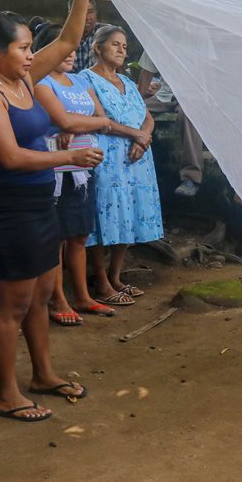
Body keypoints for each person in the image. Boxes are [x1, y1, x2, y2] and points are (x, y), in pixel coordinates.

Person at [0, 0, 103, 422]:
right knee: (13, 304)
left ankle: (42, 374)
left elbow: (67, 42)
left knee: (44, 293)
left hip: (42, 204)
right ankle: (6, 393)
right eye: (23, 48)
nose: (31, 55)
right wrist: (68, 160)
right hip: (13, 210)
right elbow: (11, 157)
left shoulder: (22, 80)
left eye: (30, 47)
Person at [30, 19, 146, 317]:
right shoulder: (42, 83)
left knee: (79, 234)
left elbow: (101, 116)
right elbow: (69, 122)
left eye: (71, 49)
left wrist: (80, 123)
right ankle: (58, 300)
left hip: (83, 167)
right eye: (62, 48)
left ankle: (82, 295)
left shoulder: (78, 82)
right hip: (55, 168)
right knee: (57, 236)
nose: (69, 54)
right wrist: (78, 123)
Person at [78, 26, 164, 302]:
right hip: (108, 158)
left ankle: (116, 276)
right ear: (98, 47)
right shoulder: (86, 79)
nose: (121, 50)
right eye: (115, 44)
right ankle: (101, 283)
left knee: (131, 211)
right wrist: (134, 135)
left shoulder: (127, 81)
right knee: (105, 215)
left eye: (124, 46)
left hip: (137, 157)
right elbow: (100, 119)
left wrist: (143, 138)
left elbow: (147, 117)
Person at [137, 51, 206, 197]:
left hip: (194, 95)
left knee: (189, 116)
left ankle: (191, 177)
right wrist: (135, 101)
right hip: (164, 95)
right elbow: (146, 72)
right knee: (134, 112)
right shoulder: (156, 36)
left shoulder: (200, 34)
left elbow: (208, 69)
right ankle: (131, 169)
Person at [72, 0, 98, 73]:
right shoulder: (62, 37)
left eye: (90, 12)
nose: (87, 17)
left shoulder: (107, 34)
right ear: (70, 14)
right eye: (82, 12)